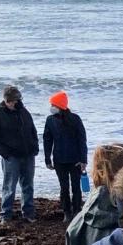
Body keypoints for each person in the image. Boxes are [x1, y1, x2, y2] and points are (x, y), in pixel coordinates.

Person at [0, 84, 39, 224]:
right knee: (9, 186)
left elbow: (32, 129)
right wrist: (6, 153)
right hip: (11, 157)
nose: (15, 103)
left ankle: (28, 213)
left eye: (17, 100)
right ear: (6, 100)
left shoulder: (23, 111)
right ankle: (5, 215)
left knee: (28, 185)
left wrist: (35, 147)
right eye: (12, 101)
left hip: (28, 154)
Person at [43, 91, 88, 221]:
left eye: (53, 104)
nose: (51, 107)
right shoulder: (50, 120)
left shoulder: (75, 119)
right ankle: (67, 212)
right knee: (64, 187)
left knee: (75, 187)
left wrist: (83, 160)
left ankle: (77, 211)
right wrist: (47, 159)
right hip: (59, 160)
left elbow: (82, 140)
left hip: (75, 160)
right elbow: (47, 140)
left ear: (59, 105)